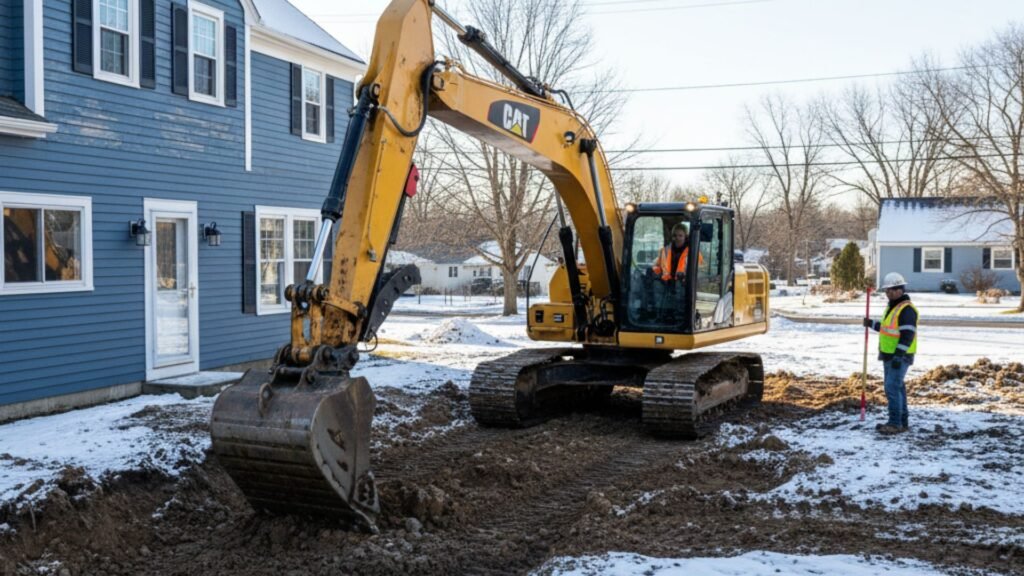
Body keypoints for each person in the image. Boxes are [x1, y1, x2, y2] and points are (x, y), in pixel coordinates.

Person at [863, 272, 919, 435]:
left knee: (891, 388)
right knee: (898, 387)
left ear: (901, 289)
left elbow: (907, 335)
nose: (890, 293)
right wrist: (871, 324)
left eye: (893, 289)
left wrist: (898, 355)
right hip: (889, 354)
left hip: (899, 356)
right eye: (887, 290)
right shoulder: (892, 307)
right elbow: (888, 329)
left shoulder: (907, 309)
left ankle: (895, 423)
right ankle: (902, 422)